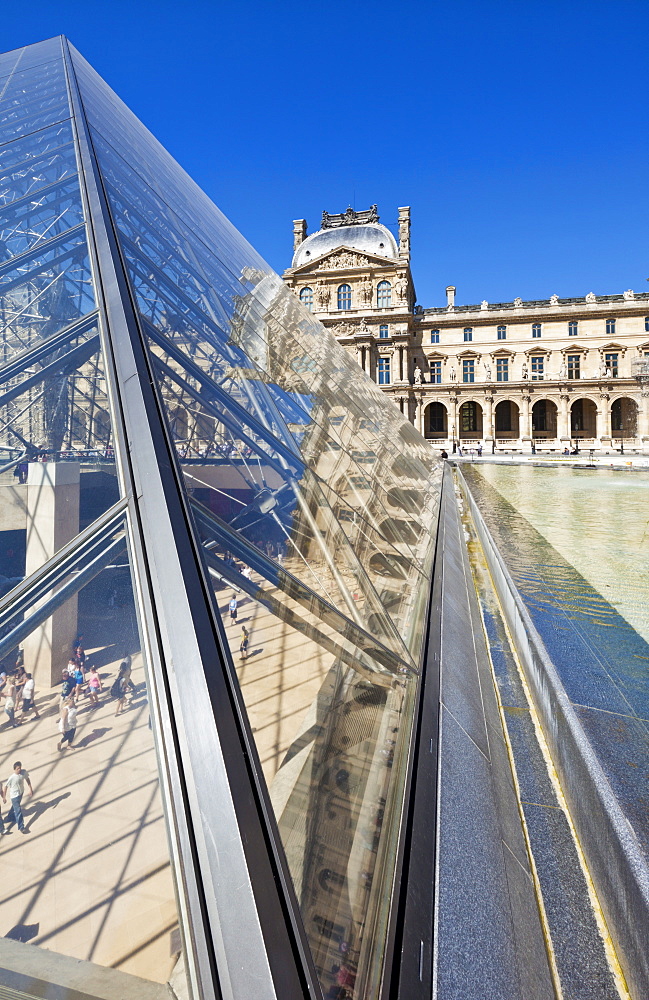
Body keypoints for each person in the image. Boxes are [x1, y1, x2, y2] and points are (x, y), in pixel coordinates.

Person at [2, 761, 33, 834]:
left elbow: (27, 780)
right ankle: (21, 827)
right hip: (14, 796)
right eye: (18, 769)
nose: (19, 770)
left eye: (20, 768)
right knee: (18, 811)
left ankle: (9, 816)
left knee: (15, 807)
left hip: (20, 793)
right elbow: (5, 787)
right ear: (14, 769)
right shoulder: (12, 778)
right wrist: (4, 797)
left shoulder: (23, 772)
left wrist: (30, 789)